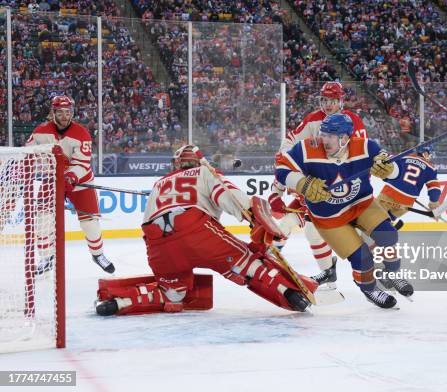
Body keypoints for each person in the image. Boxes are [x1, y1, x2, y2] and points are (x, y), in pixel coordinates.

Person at [95, 145, 317, 316]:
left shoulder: (158, 184)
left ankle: (119, 303)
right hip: (196, 231)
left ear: (177, 164)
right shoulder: (204, 172)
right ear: (198, 161)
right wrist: (251, 215)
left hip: (159, 246)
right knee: (247, 261)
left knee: (173, 295)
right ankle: (290, 294)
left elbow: (147, 224)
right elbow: (227, 196)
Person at [275, 113, 409, 309]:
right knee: (362, 257)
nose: (325, 140)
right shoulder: (308, 148)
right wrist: (301, 183)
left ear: (345, 138)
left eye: (331, 136)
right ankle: (370, 289)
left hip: (361, 205)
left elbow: (395, 172)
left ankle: (393, 273)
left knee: (388, 235)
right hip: (329, 218)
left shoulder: (365, 147)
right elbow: (281, 169)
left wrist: (389, 169)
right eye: (324, 134)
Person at [269, 81, 368, 290]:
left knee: (362, 232)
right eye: (324, 100)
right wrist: (276, 192)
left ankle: (379, 270)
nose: (328, 105)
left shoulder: (353, 121)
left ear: (341, 101)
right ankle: (329, 274)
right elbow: (287, 151)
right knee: (308, 230)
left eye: (332, 100)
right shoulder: (313, 120)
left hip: (344, 187)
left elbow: (361, 154)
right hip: (315, 188)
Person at [27, 95, 114, 274]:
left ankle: (98, 255)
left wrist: (71, 177)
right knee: (43, 219)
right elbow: (28, 154)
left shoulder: (81, 133)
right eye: (60, 112)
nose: (65, 116)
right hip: (52, 180)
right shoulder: (39, 132)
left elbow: (82, 164)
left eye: (68, 112)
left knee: (90, 222)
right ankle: (47, 257)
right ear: (53, 113)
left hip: (80, 182)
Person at [370, 144, 442, 295]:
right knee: (385, 226)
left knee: (374, 228)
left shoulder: (404, 156)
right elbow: (434, 188)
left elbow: (388, 172)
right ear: (427, 154)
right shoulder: (431, 168)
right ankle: (385, 265)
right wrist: (434, 204)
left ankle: (377, 265)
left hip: (388, 195)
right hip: (405, 203)